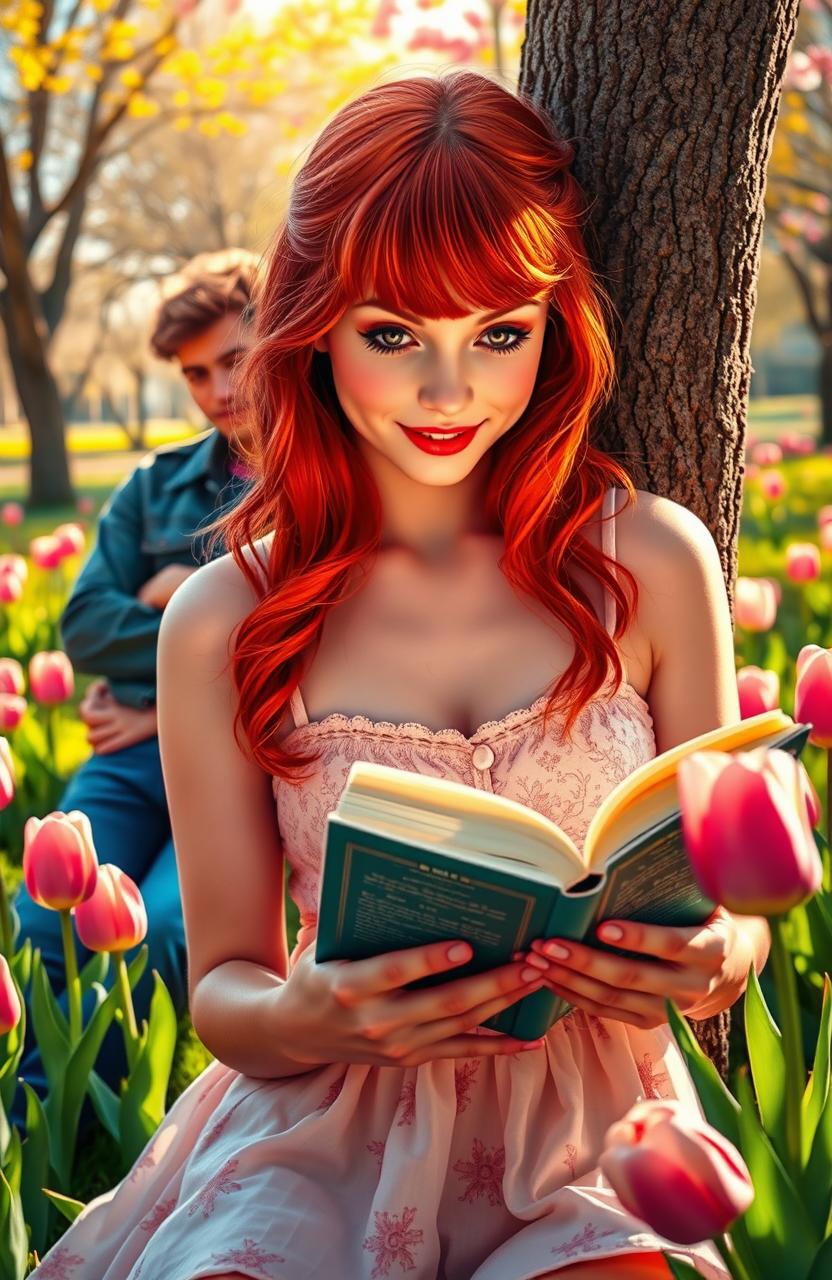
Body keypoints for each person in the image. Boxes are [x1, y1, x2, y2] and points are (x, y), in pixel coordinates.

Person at [29, 71, 769, 1280]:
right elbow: (222, 978)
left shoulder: (649, 559)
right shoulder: (227, 614)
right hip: (321, 1120)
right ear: (315, 327)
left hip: (590, 1140)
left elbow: (730, 896)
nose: (445, 391)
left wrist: (717, 958)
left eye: (498, 333)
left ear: (557, 324)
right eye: (392, 336)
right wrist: (307, 1016)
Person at [12, 250, 259, 1137]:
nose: (216, 389)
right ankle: (35, 1135)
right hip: (132, 759)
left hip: (249, 768)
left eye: (232, 359)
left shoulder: (321, 481)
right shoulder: (156, 487)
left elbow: (315, 652)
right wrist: (214, 629)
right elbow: (84, 624)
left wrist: (168, 627)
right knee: (42, 920)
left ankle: (109, 1134)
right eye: (196, 372)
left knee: (156, 931)